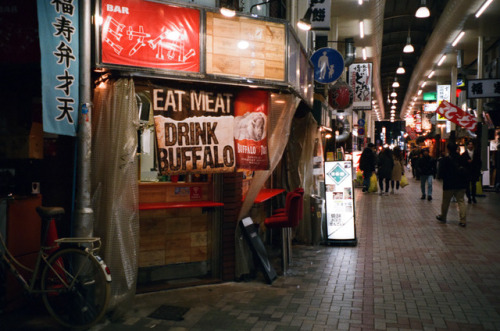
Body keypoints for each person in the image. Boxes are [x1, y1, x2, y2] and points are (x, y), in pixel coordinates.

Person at [436, 142, 468, 227]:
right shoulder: (462, 158)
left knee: (446, 201)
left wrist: (440, 177)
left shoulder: (445, 159)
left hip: (449, 184)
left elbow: (441, 172)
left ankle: (443, 216)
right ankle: (463, 220)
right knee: (461, 201)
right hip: (461, 184)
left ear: (448, 149)